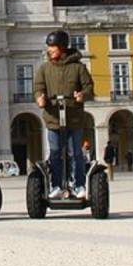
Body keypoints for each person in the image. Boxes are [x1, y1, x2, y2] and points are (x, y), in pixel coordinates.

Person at [34, 30, 94, 199]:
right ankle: (56, 185)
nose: (49, 50)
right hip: (53, 118)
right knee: (55, 153)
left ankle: (78, 185)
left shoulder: (78, 68)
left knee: (75, 153)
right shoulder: (44, 69)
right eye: (49, 47)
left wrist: (83, 95)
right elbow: (38, 87)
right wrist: (40, 97)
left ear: (62, 47)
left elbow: (89, 87)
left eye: (52, 46)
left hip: (74, 117)